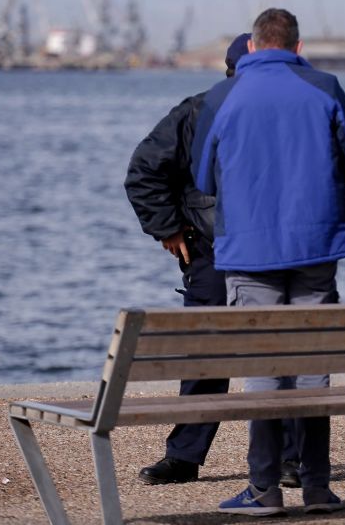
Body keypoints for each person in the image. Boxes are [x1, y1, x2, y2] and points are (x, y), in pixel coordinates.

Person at [192, 7, 345, 516]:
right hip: (317, 247)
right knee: (313, 368)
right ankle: (316, 486)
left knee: (263, 370)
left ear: (251, 47)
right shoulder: (326, 86)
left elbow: (203, 178)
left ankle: (264, 488)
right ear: (297, 46)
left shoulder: (223, 96)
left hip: (249, 254)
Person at [124, 33, 303, 488]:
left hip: (270, 256)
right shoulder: (195, 113)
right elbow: (144, 170)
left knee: (278, 356)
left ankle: (287, 459)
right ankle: (185, 457)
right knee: (208, 357)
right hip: (212, 255)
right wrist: (167, 228)